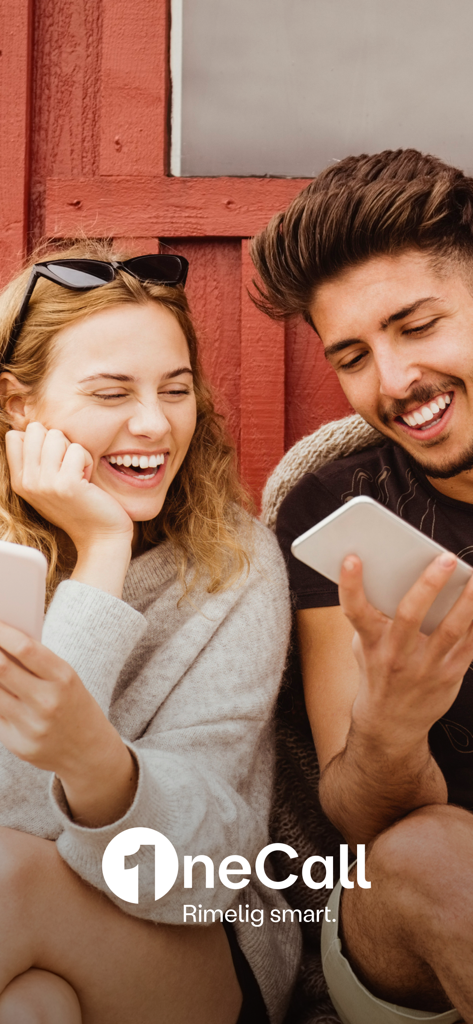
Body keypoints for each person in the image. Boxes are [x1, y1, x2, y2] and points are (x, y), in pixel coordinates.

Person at [0, 241, 301, 1024]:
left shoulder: (232, 566)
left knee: (8, 873)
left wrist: (102, 555)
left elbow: (200, 873)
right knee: (31, 1009)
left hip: (193, 938)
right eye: (111, 392)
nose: (153, 424)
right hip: (24, 940)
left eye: (175, 389)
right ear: (14, 406)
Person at [251, 149, 473, 1024]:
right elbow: (362, 825)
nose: (393, 383)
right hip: (407, 917)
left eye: (415, 326)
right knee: (429, 852)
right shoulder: (338, 512)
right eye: (352, 354)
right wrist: (392, 717)